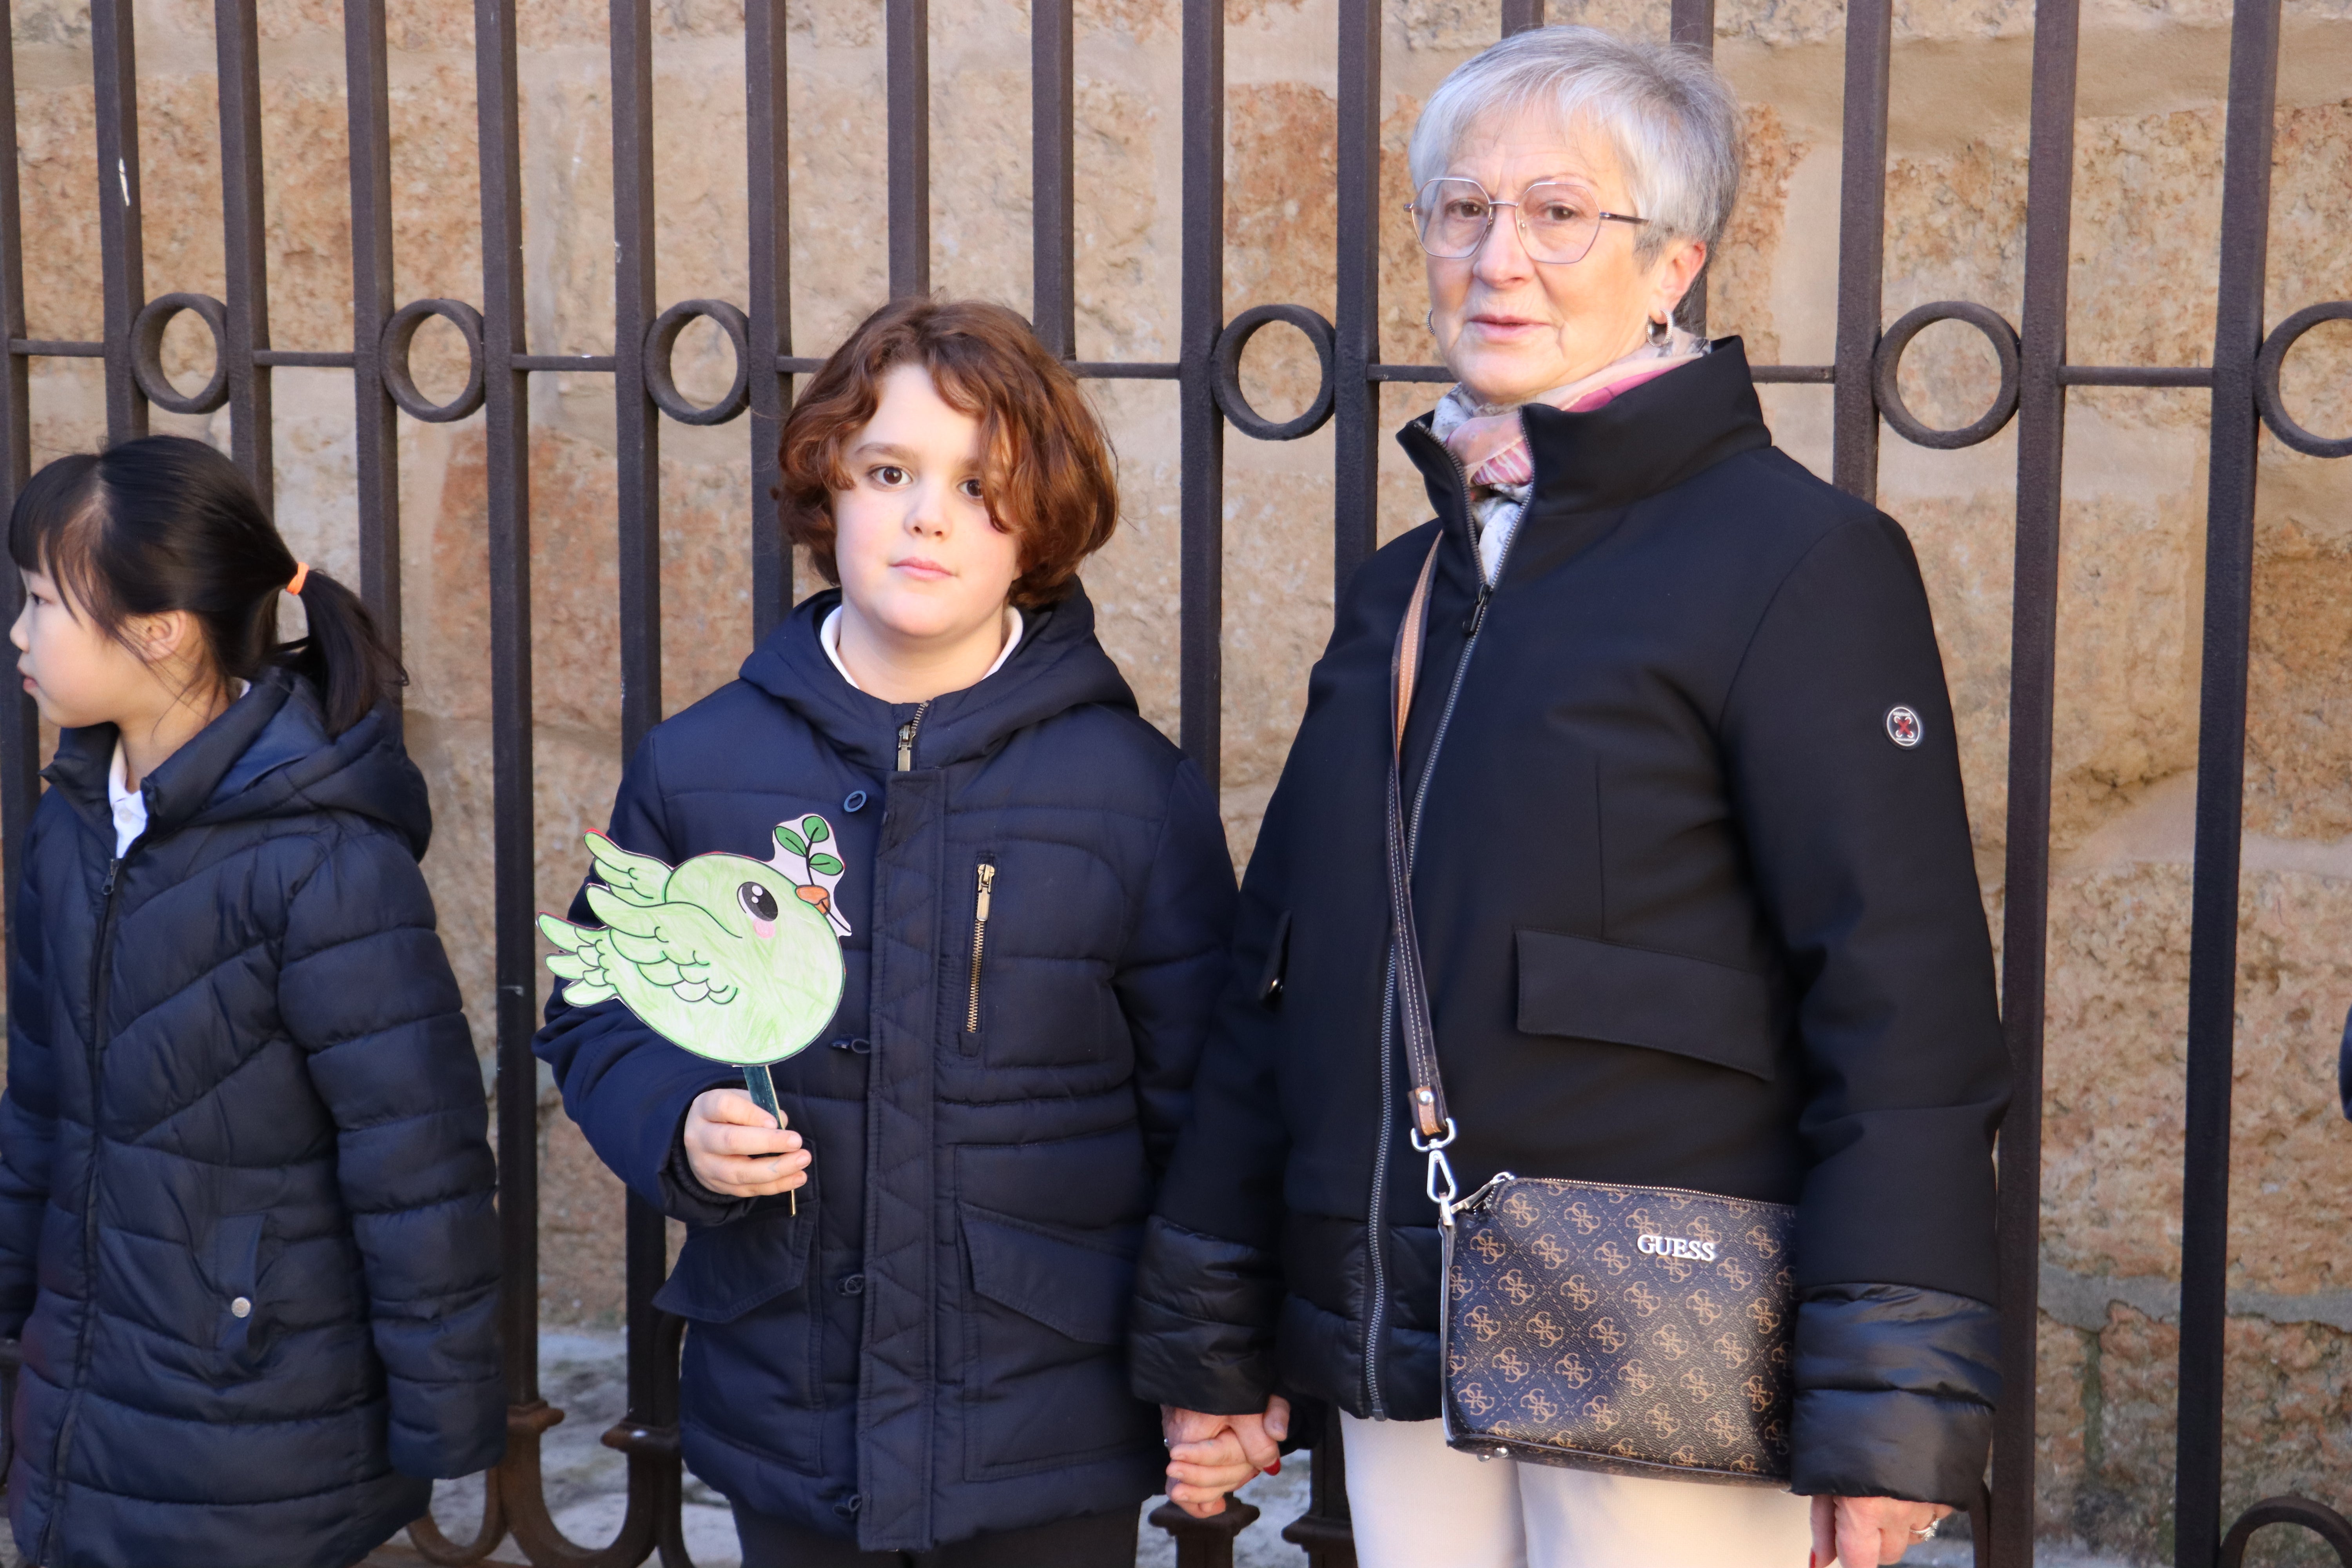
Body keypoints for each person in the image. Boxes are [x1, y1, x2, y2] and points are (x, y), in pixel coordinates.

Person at [1131, 26, 2010, 1568]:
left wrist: (1891, 1402)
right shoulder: (1408, 587)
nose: (1496, 257)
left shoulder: (1795, 563)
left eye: (1558, 213)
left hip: (1662, 1341)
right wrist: (1216, 1338)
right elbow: (1289, 974)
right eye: (1459, 211)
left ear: (1675, 260)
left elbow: (1905, 1009)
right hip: (1409, 1337)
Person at [534, 296, 1236, 1566]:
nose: (927, 515)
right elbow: (599, 1008)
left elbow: (1213, 1108)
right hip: (793, 1399)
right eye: (891, 472)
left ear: (1043, 526)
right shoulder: (702, 766)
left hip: (1045, 1415)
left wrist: (1216, 1365)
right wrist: (679, 1122)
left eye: (981, 485)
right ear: (826, 490)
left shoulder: (1134, 791)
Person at [0, 436, 504, 1568]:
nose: (22, 632)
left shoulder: (324, 863)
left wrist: (444, 1414)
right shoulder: (74, 823)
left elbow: (415, 1159)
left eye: (43, 601)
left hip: (254, 1421)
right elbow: (37, 1100)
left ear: (163, 629)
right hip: (84, 1390)